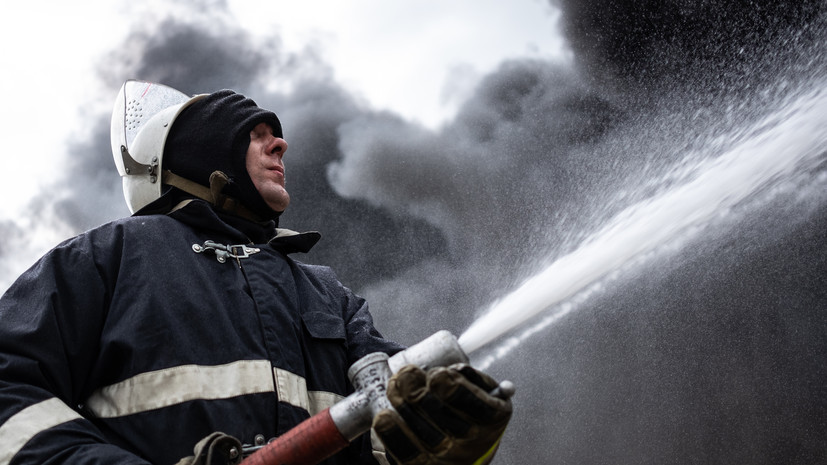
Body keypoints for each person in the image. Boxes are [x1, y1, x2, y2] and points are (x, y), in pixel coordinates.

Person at [0, 81, 511, 465]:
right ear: (200, 158)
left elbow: (397, 428)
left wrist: (460, 436)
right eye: (255, 134)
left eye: (277, 135)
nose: (280, 145)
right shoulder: (106, 258)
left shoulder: (325, 294)